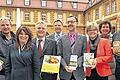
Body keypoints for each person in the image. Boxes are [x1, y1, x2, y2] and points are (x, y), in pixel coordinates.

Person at [57, 16, 86, 80]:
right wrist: (65, 66)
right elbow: (59, 55)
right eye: (68, 22)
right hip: (65, 73)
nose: (70, 23)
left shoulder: (83, 38)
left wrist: (77, 63)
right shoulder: (61, 39)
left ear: (77, 23)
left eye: (72, 22)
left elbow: (85, 53)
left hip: (78, 72)